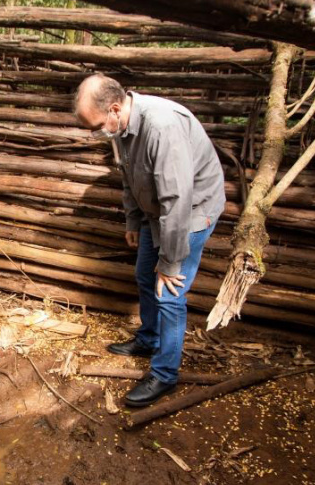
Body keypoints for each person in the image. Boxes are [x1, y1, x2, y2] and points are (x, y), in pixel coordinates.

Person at [73, 74, 226, 407]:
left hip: (191, 212)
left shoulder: (161, 128)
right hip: (157, 215)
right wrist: (133, 219)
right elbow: (128, 176)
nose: (95, 133)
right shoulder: (120, 127)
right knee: (145, 275)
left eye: (95, 126)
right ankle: (149, 339)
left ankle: (165, 374)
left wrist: (170, 262)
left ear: (114, 108)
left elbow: (177, 199)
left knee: (169, 292)